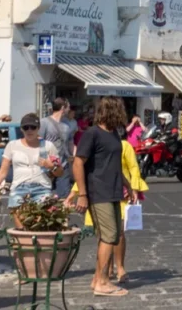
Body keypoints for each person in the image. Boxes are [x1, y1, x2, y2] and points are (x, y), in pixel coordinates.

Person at [73, 96, 134, 298]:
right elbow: (78, 162)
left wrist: (129, 186)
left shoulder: (114, 134)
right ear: (113, 111)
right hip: (98, 192)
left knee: (112, 235)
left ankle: (97, 278)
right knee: (108, 235)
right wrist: (82, 194)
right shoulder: (92, 133)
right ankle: (102, 282)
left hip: (114, 191)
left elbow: (114, 163)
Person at [0, 113, 61, 224]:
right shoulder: (12, 145)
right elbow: (3, 171)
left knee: (38, 225)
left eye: (33, 127)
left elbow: (60, 172)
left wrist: (51, 166)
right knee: (21, 227)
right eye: (26, 127)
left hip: (41, 188)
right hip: (19, 188)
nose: (29, 130)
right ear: (22, 129)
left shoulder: (48, 146)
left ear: (38, 128)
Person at [41, 98, 75, 196]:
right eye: (68, 107)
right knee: (44, 197)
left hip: (63, 165)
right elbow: (38, 142)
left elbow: (70, 143)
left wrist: (74, 156)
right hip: (47, 166)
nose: (69, 109)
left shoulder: (67, 125)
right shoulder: (44, 122)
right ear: (63, 108)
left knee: (63, 197)